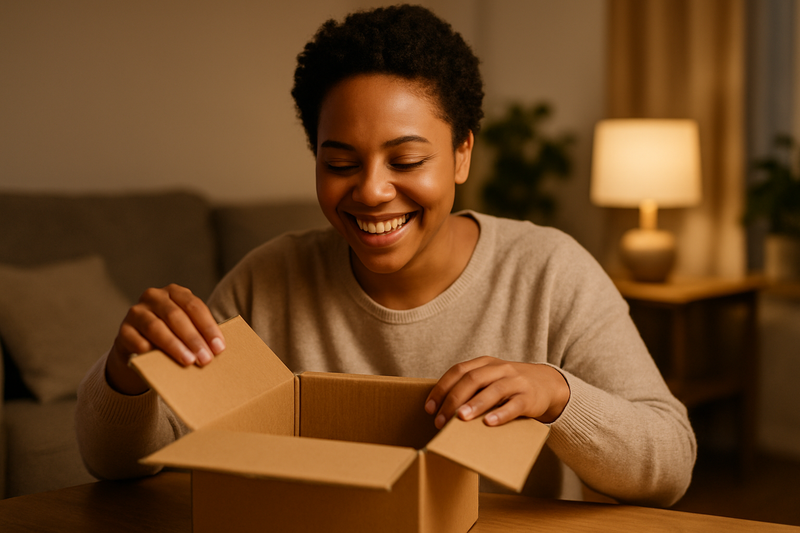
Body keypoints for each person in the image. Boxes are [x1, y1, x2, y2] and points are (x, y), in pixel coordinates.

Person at [76, 4, 695, 507]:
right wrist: (129, 375)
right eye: (340, 162)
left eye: (406, 161)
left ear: (461, 156)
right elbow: (120, 468)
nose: (371, 190)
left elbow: (669, 465)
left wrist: (560, 394)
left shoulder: (549, 273)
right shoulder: (267, 283)